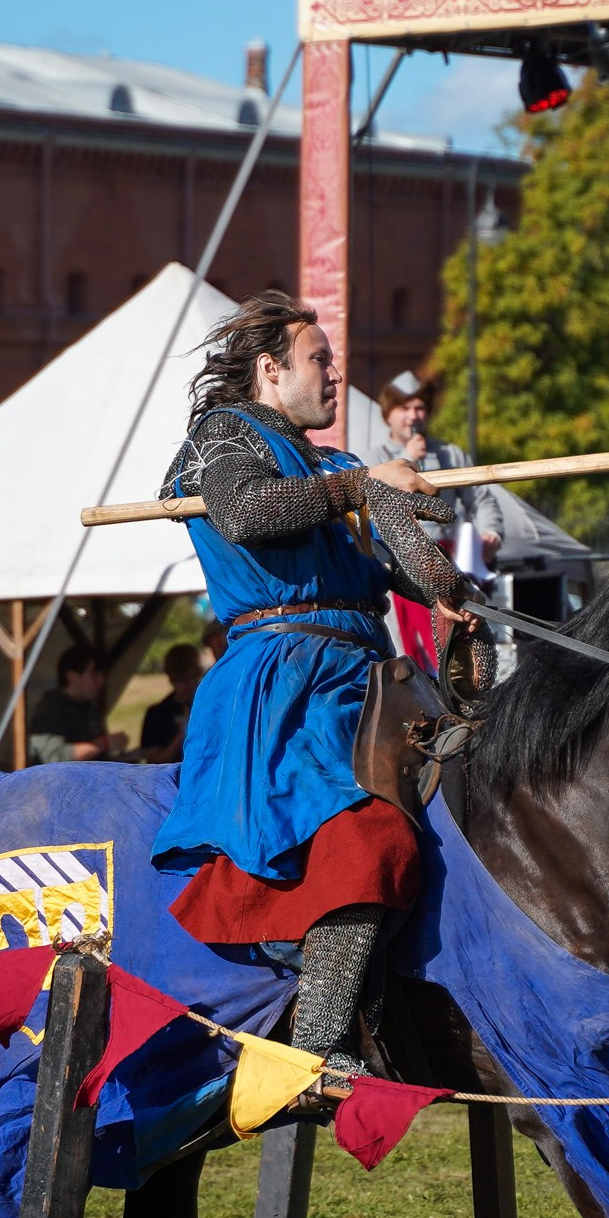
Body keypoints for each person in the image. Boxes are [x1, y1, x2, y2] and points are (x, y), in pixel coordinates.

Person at [152, 290, 488, 1084]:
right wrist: (364, 486)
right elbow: (244, 513)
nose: (336, 375)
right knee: (363, 840)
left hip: (375, 681)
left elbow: (417, 566)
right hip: (286, 679)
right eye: (320, 360)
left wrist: (445, 581)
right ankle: (317, 1042)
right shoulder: (224, 435)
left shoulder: (341, 466)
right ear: (270, 370)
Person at [371, 370, 503, 566]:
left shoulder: (451, 454)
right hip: (397, 560)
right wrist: (408, 457)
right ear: (388, 415)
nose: (413, 416)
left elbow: (480, 498)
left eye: (419, 408)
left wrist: (490, 532)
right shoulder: (374, 458)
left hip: (448, 558)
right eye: (404, 409)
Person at [27, 643, 128, 765]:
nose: (102, 680)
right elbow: (53, 757)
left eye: (102, 674)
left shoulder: (89, 709)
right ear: (72, 676)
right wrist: (104, 744)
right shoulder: (49, 711)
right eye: (94, 673)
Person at [137, 641, 202, 764]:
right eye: (180, 680)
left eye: (192, 678)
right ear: (171, 679)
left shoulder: (209, 706)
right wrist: (181, 736)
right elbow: (154, 761)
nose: (188, 685)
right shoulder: (157, 714)